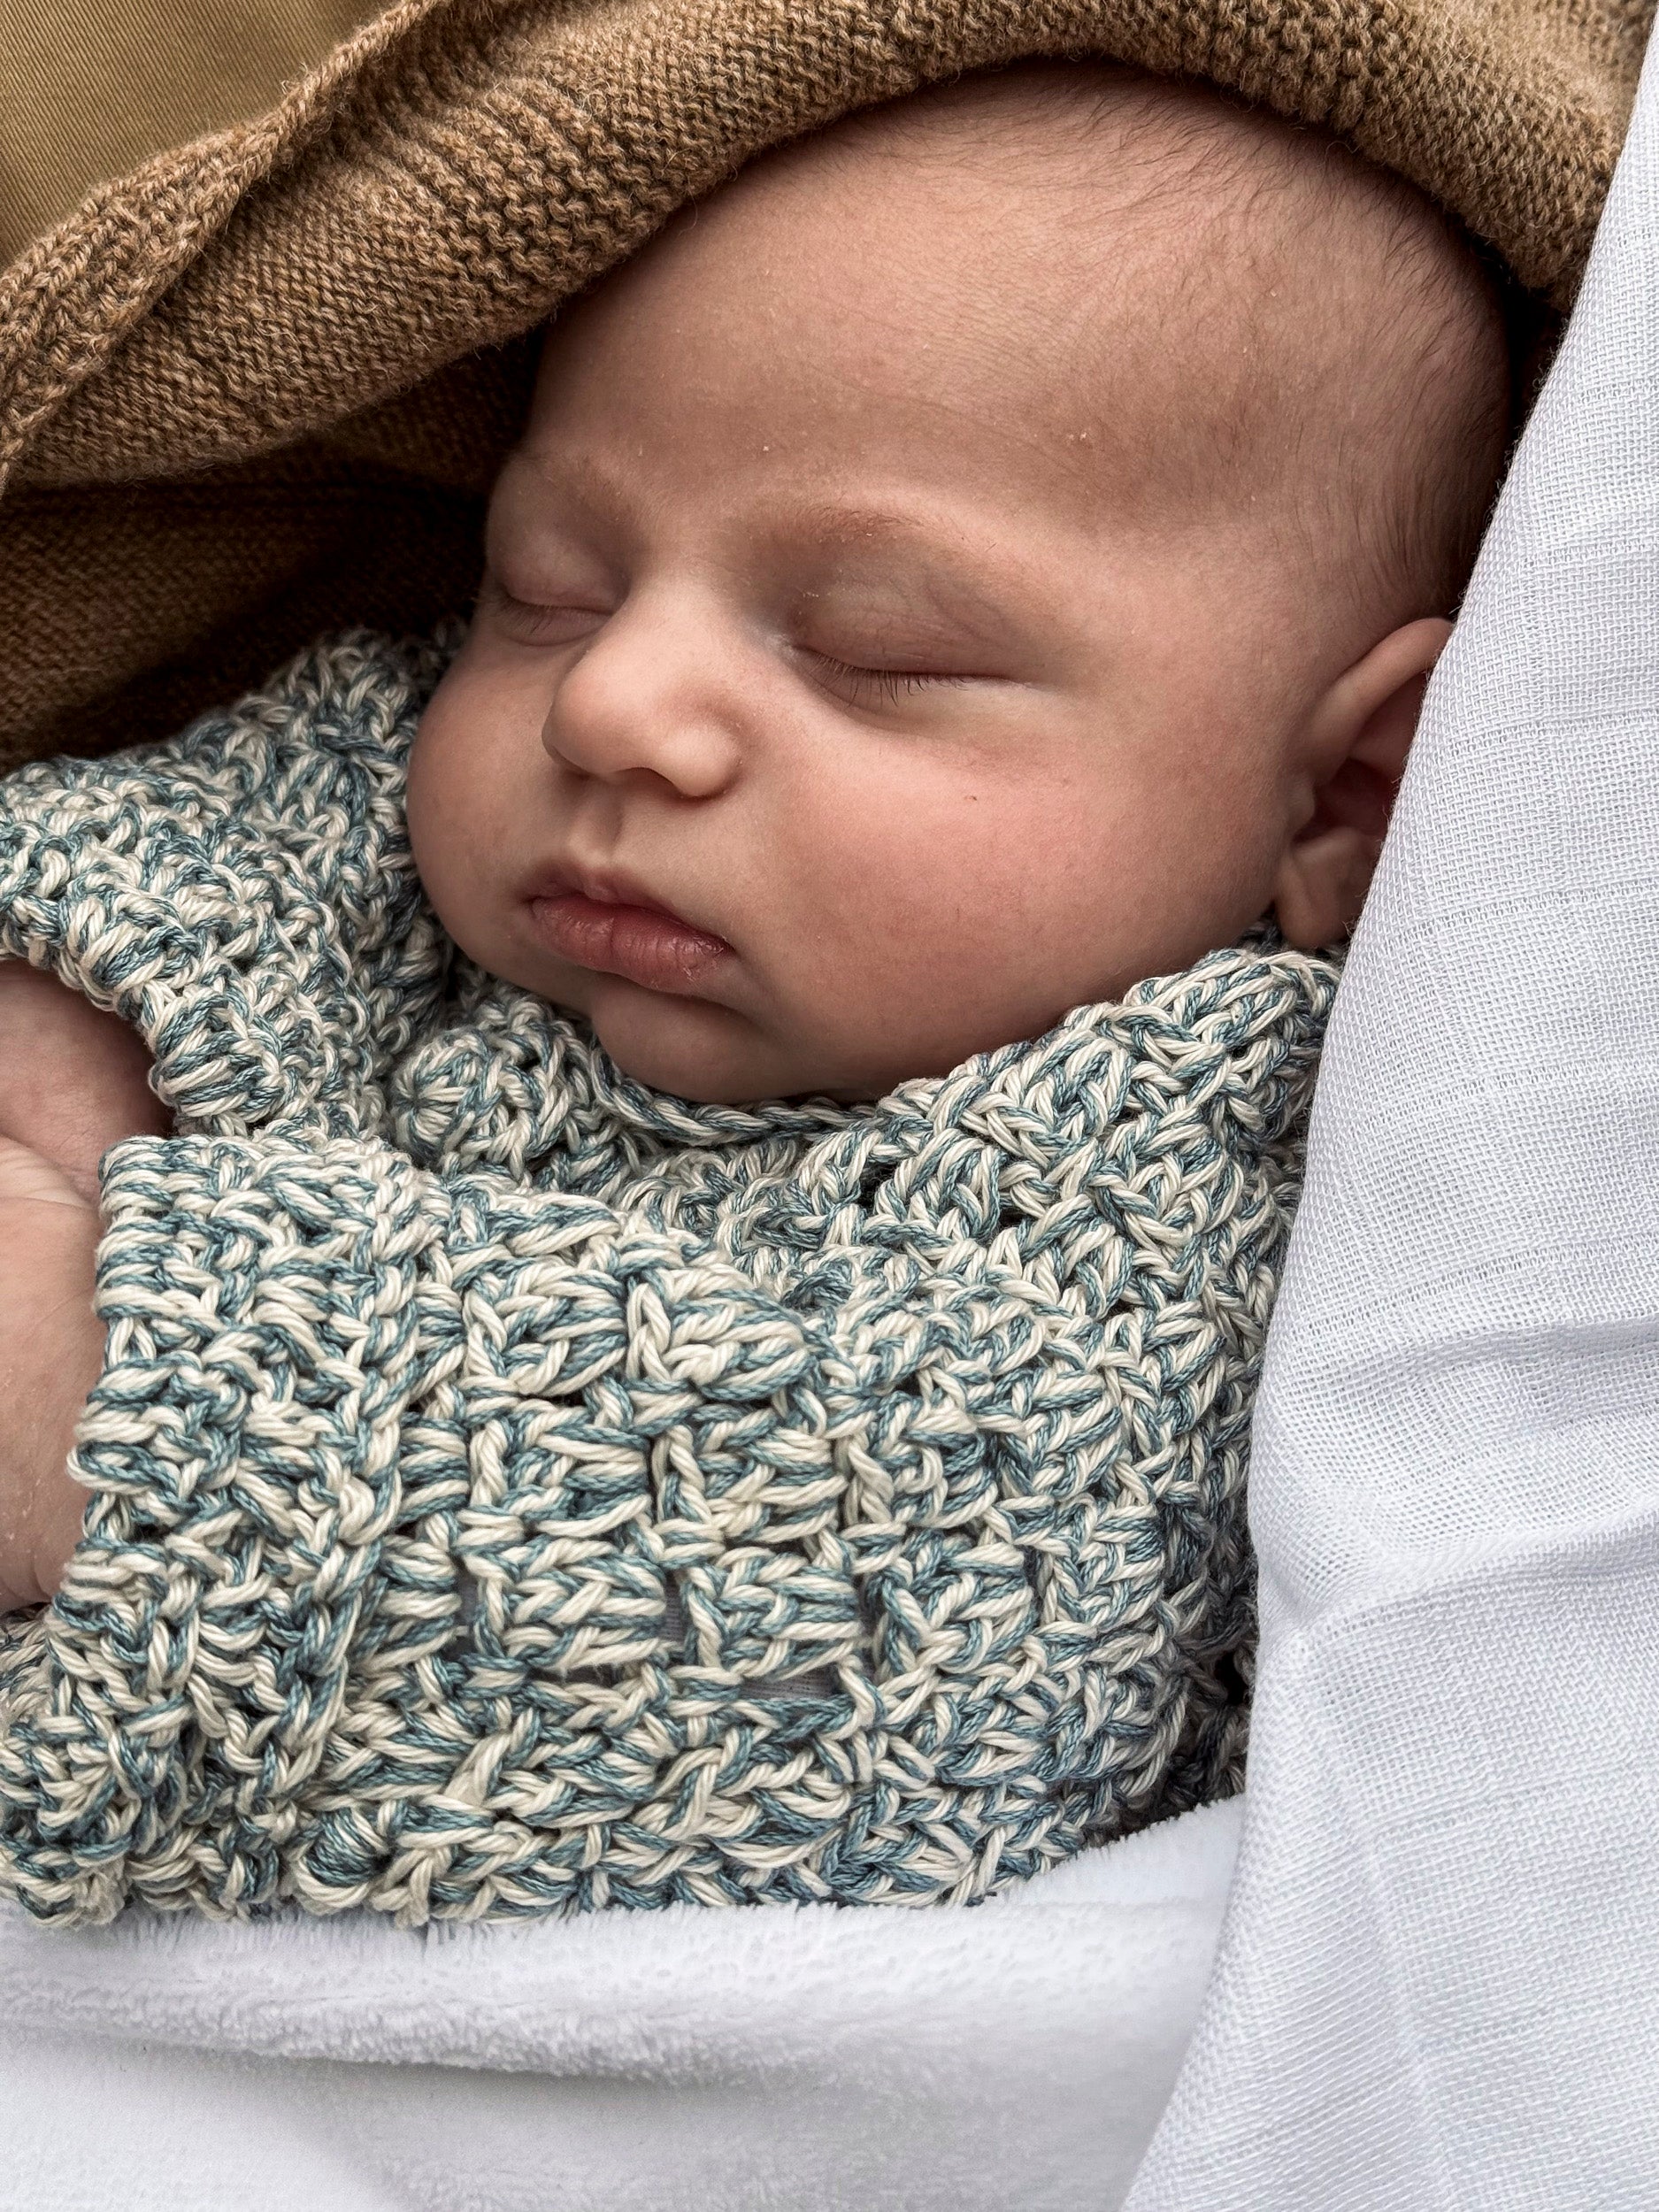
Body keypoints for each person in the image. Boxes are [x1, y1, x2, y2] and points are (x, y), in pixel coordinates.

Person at [0, 63, 1509, 1923]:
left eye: (871, 648)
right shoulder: (497, 840)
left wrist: (92, 1394)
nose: (607, 701)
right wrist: (71, 1026)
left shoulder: (1190, 1166)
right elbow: (226, 838)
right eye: (547, 586)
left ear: (1343, 796)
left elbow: (856, 1609)